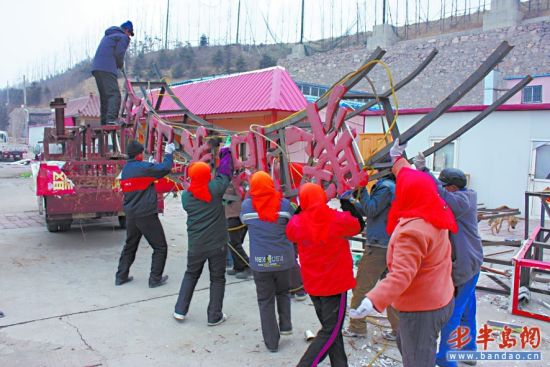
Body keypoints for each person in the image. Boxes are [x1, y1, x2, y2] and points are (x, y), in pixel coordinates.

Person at [350, 139, 457, 367]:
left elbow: (400, 275)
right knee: (409, 345)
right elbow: (410, 175)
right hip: (440, 296)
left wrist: (373, 300)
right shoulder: (434, 209)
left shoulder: (413, 231)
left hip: (422, 307)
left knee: (417, 359)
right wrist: (397, 157)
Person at [414, 154, 483, 367]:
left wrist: (424, 171)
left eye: (445, 187)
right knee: (467, 310)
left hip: (464, 265)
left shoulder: (462, 200)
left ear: (453, 187)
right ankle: (469, 352)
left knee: (451, 313)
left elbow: (440, 194)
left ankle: (445, 359)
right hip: (472, 262)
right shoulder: (463, 197)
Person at [286, 183, 362, 367]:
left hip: (314, 286)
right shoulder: (337, 219)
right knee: (330, 330)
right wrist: (346, 202)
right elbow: (358, 225)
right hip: (335, 285)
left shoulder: (296, 224)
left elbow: (290, 231)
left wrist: (301, 208)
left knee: (331, 331)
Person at [173, 147, 233, 326]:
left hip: (196, 245)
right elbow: (225, 173)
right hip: (218, 244)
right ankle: (214, 315)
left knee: (191, 274)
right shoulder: (214, 189)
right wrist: (226, 153)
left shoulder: (186, 197)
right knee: (217, 278)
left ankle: (180, 310)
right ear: (207, 175)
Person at [240, 171, 296, 353]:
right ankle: (286, 325)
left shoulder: (247, 206)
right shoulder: (284, 205)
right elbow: (293, 221)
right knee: (283, 292)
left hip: (260, 262)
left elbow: (244, 221)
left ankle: (272, 342)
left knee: (265, 300)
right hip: (283, 260)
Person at [340, 175, 399, 341]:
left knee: (361, 287)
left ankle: (357, 327)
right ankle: (399, 329)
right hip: (389, 243)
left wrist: (362, 189)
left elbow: (371, 209)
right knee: (391, 288)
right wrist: (352, 202)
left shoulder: (385, 187)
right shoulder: (393, 186)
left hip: (378, 246)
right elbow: (372, 210)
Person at [116, 140, 174, 288]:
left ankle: (121, 276)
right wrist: (168, 153)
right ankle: (155, 279)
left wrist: (150, 165)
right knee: (160, 247)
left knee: (130, 245)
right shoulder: (143, 168)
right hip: (146, 214)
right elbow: (166, 168)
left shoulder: (126, 169)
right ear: (139, 155)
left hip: (131, 214)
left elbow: (144, 176)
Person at [92, 21, 134, 125]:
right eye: (130, 33)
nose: (129, 36)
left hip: (97, 68)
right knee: (114, 94)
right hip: (107, 67)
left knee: (105, 97)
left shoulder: (109, 35)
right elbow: (119, 53)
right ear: (127, 31)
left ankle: (104, 122)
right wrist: (120, 65)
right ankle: (111, 120)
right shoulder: (123, 37)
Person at [224, 182, 252, 279]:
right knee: (234, 244)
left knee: (234, 244)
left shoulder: (234, 182)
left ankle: (247, 266)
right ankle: (238, 266)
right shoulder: (236, 180)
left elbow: (227, 199)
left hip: (235, 216)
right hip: (234, 215)